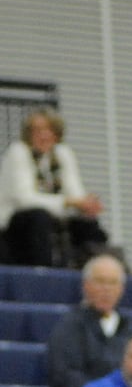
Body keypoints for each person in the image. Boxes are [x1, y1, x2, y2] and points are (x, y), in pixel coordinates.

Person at [0, 107, 107, 267]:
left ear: (56, 133)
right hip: (14, 226)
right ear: (28, 134)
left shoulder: (63, 153)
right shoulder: (18, 152)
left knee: (89, 225)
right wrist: (69, 202)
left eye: (48, 130)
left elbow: (75, 192)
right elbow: (25, 199)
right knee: (39, 217)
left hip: (52, 221)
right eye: (36, 130)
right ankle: (45, 273)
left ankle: (100, 271)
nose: (43, 135)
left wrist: (86, 204)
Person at [46, 253, 132, 387]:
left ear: (121, 289)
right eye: (100, 281)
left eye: (113, 283)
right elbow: (65, 377)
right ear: (86, 286)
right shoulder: (68, 327)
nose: (106, 289)